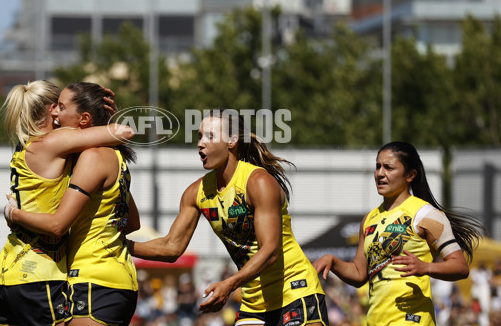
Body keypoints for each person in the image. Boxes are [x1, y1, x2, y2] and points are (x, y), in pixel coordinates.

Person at [126, 109, 329, 326]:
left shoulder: (258, 182)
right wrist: (119, 245)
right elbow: (171, 247)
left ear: (232, 141)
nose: (200, 143)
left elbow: (269, 251)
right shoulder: (196, 193)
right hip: (254, 304)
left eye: (210, 136)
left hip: (295, 291)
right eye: (199, 136)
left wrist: (229, 284)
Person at [0, 80, 133, 326]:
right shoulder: (54, 142)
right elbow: (124, 132)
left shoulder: (24, 146)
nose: (59, 114)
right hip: (40, 276)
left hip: (4, 275)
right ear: (50, 110)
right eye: (59, 107)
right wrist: (105, 117)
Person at [313, 141, 485, 326]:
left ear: (410, 175)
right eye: (378, 166)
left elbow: (460, 267)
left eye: (389, 168)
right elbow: (359, 273)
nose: (380, 173)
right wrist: (334, 262)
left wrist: (425, 267)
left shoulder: (426, 215)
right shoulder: (369, 219)